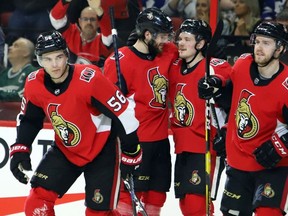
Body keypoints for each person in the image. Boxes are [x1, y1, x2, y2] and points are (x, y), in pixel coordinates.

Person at [9, 30, 142, 216]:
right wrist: (21, 147)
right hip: (66, 149)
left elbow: (124, 114)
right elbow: (29, 119)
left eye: (59, 57)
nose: (54, 64)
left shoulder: (90, 78)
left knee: (99, 212)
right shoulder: (33, 83)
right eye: (47, 59)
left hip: (102, 150)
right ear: (39, 61)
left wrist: (131, 151)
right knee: (37, 201)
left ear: (66, 55)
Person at [198, 21, 288, 215]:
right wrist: (214, 86)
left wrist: (280, 146)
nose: (259, 48)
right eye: (257, 41)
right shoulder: (242, 64)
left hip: (272, 168)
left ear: (280, 48)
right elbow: (230, 98)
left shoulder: (286, 85)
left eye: (266, 43)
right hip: (238, 165)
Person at [103, 7, 178, 216]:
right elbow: (109, 108)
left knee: (156, 197)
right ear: (147, 35)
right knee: (127, 200)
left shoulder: (169, 51)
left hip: (162, 141)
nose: (166, 40)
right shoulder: (119, 61)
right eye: (162, 36)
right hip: (136, 142)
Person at [169, 19, 231, 215]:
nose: (181, 43)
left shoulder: (212, 66)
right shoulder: (174, 66)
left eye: (187, 39)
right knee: (186, 204)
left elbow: (227, 76)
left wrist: (214, 83)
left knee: (198, 206)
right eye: (180, 39)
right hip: (181, 146)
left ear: (201, 44)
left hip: (207, 145)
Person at [49, 0, 113, 67]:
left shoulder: (103, 41)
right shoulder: (71, 33)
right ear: (79, 21)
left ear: (98, 23)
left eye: (92, 19)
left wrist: (98, 10)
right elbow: (55, 19)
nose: (89, 22)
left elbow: (109, 33)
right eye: (85, 19)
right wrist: (65, 1)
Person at [0, 37, 36, 102]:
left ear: (26, 52)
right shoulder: (3, 73)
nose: (9, 48)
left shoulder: (33, 73)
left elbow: (23, 95)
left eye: (16, 46)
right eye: (11, 45)